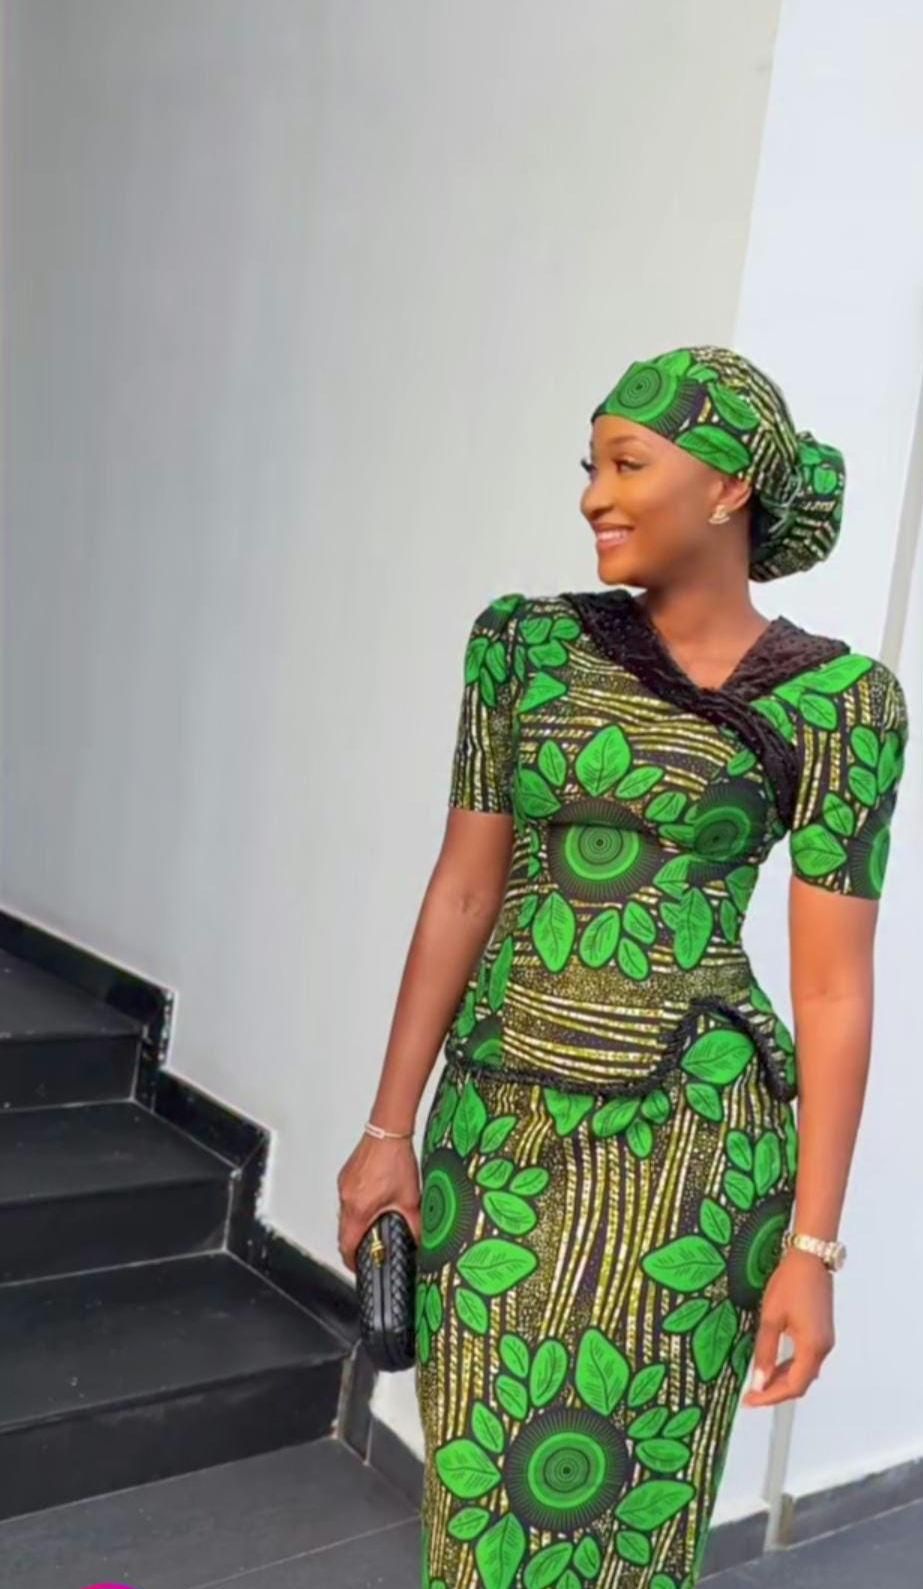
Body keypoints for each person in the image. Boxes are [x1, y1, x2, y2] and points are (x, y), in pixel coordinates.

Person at [336, 345, 910, 1587]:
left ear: (727, 488)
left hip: (697, 1159)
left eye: (626, 463)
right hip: (500, 1133)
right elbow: (463, 889)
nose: (593, 494)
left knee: (641, 1518)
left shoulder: (842, 705)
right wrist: (387, 1128)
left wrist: (811, 1248)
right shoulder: (522, 647)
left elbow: (830, 988)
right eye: (589, 466)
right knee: (482, 1504)